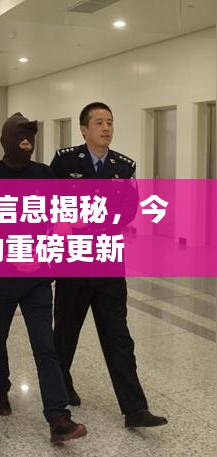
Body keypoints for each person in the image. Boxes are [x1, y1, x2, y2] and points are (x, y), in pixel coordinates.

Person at [50, 102, 168, 428]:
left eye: (110, 122)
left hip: (108, 260)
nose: (106, 128)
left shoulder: (123, 166)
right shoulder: (65, 161)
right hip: (73, 261)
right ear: (84, 129)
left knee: (118, 336)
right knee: (65, 333)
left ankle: (134, 409)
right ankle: (60, 391)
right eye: (99, 123)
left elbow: (129, 210)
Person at [0, 113, 87, 445]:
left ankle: (58, 417)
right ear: (5, 141)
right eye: (20, 138)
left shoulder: (44, 174)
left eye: (30, 139)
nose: (26, 143)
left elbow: (60, 218)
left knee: (45, 345)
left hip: (38, 276)